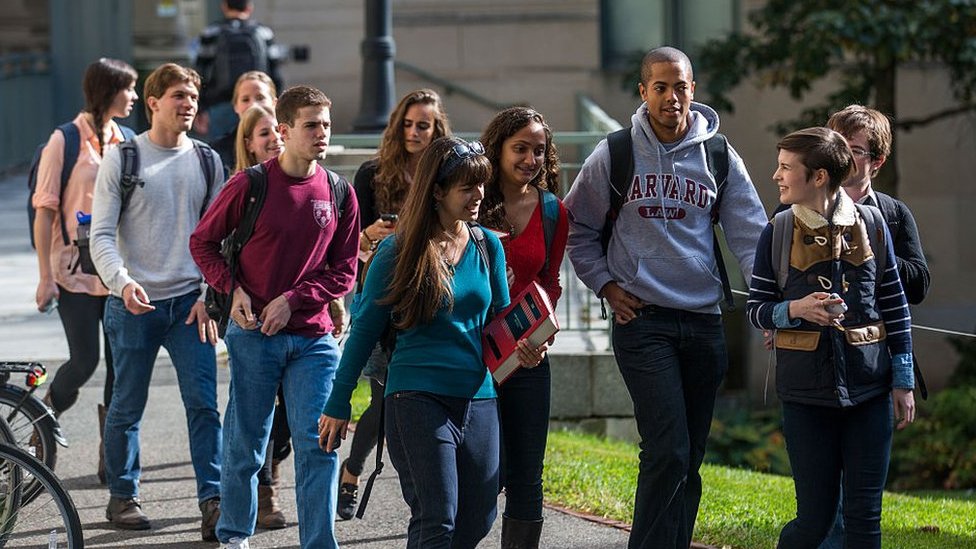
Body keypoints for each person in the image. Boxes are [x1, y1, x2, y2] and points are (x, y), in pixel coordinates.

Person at [562, 46, 767, 549]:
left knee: (689, 455)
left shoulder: (718, 154)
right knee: (667, 449)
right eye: (661, 87)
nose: (671, 98)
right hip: (643, 321)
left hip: (703, 322)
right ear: (643, 92)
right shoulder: (615, 153)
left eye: (681, 87)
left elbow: (752, 236)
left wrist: (774, 304)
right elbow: (575, 229)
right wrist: (607, 286)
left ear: (693, 90)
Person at [320, 136, 546, 548]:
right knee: (436, 517)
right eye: (466, 187)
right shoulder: (397, 251)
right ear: (437, 191)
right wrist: (338, 403)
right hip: (416, 397)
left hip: (478, 396)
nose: (479, 195)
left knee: (478, 516)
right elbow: (363, 331)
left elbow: (498, 322)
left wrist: (525, 347)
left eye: (481, 184)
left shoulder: (487, 244)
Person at [191, 85, 359, 549]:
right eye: (311, 124)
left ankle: (319, 543)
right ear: (284, 131)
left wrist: (296, 299)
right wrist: (233, 289)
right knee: (246, 442)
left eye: (326, 123)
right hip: (253, 335)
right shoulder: (250, 185)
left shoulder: (340, 192)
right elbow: (202, 243)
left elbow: (345, 273)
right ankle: (234, 536)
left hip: (313, 337)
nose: (321, 132)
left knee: (318, 444)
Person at [746, 126, 915, 548]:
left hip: (870, 391)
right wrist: (796, 309)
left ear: (818, 176)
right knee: (814, 521)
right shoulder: (778, 231)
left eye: (786, 167)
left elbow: (895, 304)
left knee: (865, 521)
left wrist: (903, 379)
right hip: (806, 397)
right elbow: (755, 309)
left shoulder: (873, 224)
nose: (776, 176)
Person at [90, 63, 224, 540]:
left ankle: (213, 499)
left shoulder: (208, 160)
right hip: (132, 305)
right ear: (153, 102)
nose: (188, 103)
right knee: (127, 404)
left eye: (193, 96)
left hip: (190, 305)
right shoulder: (123, 158)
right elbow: (101, 235)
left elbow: (218, 241)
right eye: (178, 96)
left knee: (204, 405)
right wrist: (123, 283)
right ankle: (122, 496)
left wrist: (209, 295)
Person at [815, 106, 931, 549]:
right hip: (816, 363)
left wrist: (872, 246)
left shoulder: (893, 215)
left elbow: (919, 283)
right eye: (835, 146)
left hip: (874, 365)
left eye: (855, 151)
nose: (842, 157)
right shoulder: (803, 202)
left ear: (877, 162)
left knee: (862, 494)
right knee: (821, 494)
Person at [336, 88, 452, 521]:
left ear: (437, 128)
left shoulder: (445, 173)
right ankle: (353, 472)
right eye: (407, 123)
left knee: (413, 398)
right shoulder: (373, 174)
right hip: (381, 294)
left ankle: (427, 498)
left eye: (424, 125)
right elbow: (349, 239)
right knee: (384, 398)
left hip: (431, 296)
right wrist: (372, 236)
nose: (414, 132)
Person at [31, 57, 138, 484]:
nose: (133, 96)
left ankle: (110, 460)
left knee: (120, 368)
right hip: (72, 271)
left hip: (114, 272)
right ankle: (41, 414)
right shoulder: (66, 140)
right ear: (108, 91)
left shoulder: (127, 139)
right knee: (84, 360)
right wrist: (44, 276)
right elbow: (44, 210)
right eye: (128, 89)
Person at [478, 106, 568, 548]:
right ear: (496, 149)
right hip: (472, 356)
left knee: (527, 475)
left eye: (538, 150)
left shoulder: (553, 211)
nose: (530, 159)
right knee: (479, 473)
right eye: (520, 149)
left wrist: (540, 339)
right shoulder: (471, 201)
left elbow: (550, 282)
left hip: (527, 359)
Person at [195, 0, 284, 139]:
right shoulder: (263, 32)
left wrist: (201, 108)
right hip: (258, 104)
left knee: (221, 154)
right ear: (249, 8)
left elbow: (201, 71)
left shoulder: (211, 32)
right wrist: (276, 104)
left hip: (220, 104)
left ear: (224, 6)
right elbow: (275, 72)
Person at [214, 71, 278, 175]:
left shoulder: (290, 142)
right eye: (245, 99)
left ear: (274, 103)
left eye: (260, 98)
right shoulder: (217, 152)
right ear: (235, 106)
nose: (253, 105)